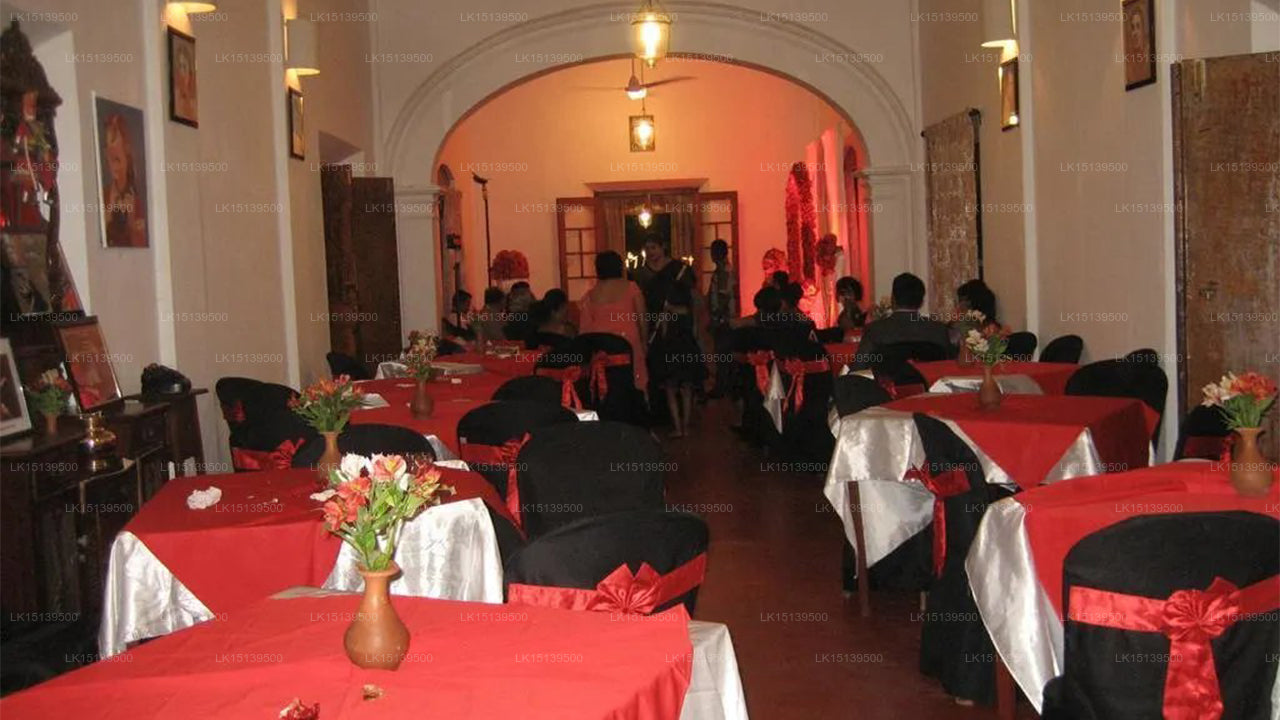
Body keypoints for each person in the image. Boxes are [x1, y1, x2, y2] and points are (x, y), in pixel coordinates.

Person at [636, 238, 704, 437]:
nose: (650, 252)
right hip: (658, 331)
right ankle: (675, 425)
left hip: (681, 331)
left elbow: (692, 301)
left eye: (654, 247)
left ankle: (686, 425)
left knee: (685, 382)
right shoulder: (642, 274)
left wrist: (690, 321)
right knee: (667, 383)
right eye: (647, 248)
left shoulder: (679, 269)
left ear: (663, 247)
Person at [579, 250, 649, 390]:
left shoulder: (590, 295)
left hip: (601, 346)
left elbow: (584, 329)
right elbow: (642, 319)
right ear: (619, 267)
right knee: (635, 383)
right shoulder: (631, 288)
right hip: (628, 342)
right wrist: (644, 343)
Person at [852, 272, 950, 370]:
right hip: (929, 380)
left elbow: (858, 368)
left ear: (893, 299)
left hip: (888, 379)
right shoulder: (938, 330)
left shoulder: (875, 330)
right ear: (921, 302)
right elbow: (948, 367)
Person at [102, 114, 147, 247]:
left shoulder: (138, 199)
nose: (113, 166)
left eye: (117, 159)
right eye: (110, 159)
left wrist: (132, 221)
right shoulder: (104, 196)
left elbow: (142, 244)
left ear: (127, 155)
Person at [706, 240, 738, 396]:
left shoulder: (724, 272)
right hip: (724, 318)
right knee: (723, 354)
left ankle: (724, 386)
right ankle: (725, 385)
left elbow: (723, 297)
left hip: (724, 320)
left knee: (723, 354)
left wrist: (716, 318)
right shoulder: (722, 271)